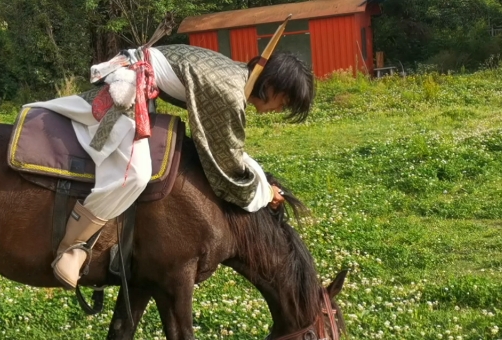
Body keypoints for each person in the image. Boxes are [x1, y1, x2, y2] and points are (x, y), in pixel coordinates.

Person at [26, 44, 315, 289]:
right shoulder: (228, 92)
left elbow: (228, 150)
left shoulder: (234, 76)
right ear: (272, 86)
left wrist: (263, 183)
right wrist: (263, 194)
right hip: (128, 88)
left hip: (140, 84)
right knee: (135, 175)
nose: (280, 109)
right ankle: (71, 248)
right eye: (285, 101)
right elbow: (225, 167)